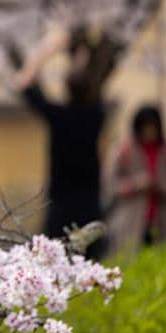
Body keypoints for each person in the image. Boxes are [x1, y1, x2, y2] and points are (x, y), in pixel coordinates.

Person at [13, 29, 108, 257]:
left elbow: (23, 83)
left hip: (60, 200)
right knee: (92, 265)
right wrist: (82, 60)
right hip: (90, 200)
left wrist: (47, 51)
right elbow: (88, 84)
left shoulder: (57, 116)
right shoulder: (97, 116)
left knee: (55, 260)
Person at [105, 105, 166, 255]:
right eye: (145, 128)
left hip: (164, 221)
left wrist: (162, 186)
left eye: (152, 128)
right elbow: (110, 185)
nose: (149, 133)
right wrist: (136, 184)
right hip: (131, 222)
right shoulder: (124, 150)